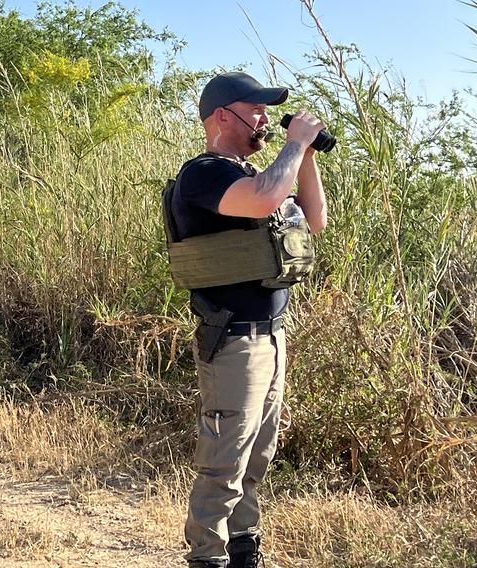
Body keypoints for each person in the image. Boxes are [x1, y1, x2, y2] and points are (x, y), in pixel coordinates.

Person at [163, 72, 328, 568]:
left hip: (271, 340)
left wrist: (307, 155)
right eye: (253, 109)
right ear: (221, 117)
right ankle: (207, 559)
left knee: (255, 459)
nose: (263, 119)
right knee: (223, 466)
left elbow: (315, 221)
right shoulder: (205, 174)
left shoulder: (253, 174)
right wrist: (293, 143)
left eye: (264, 110)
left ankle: (243, 552)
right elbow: (261, 198)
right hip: (234, 344)